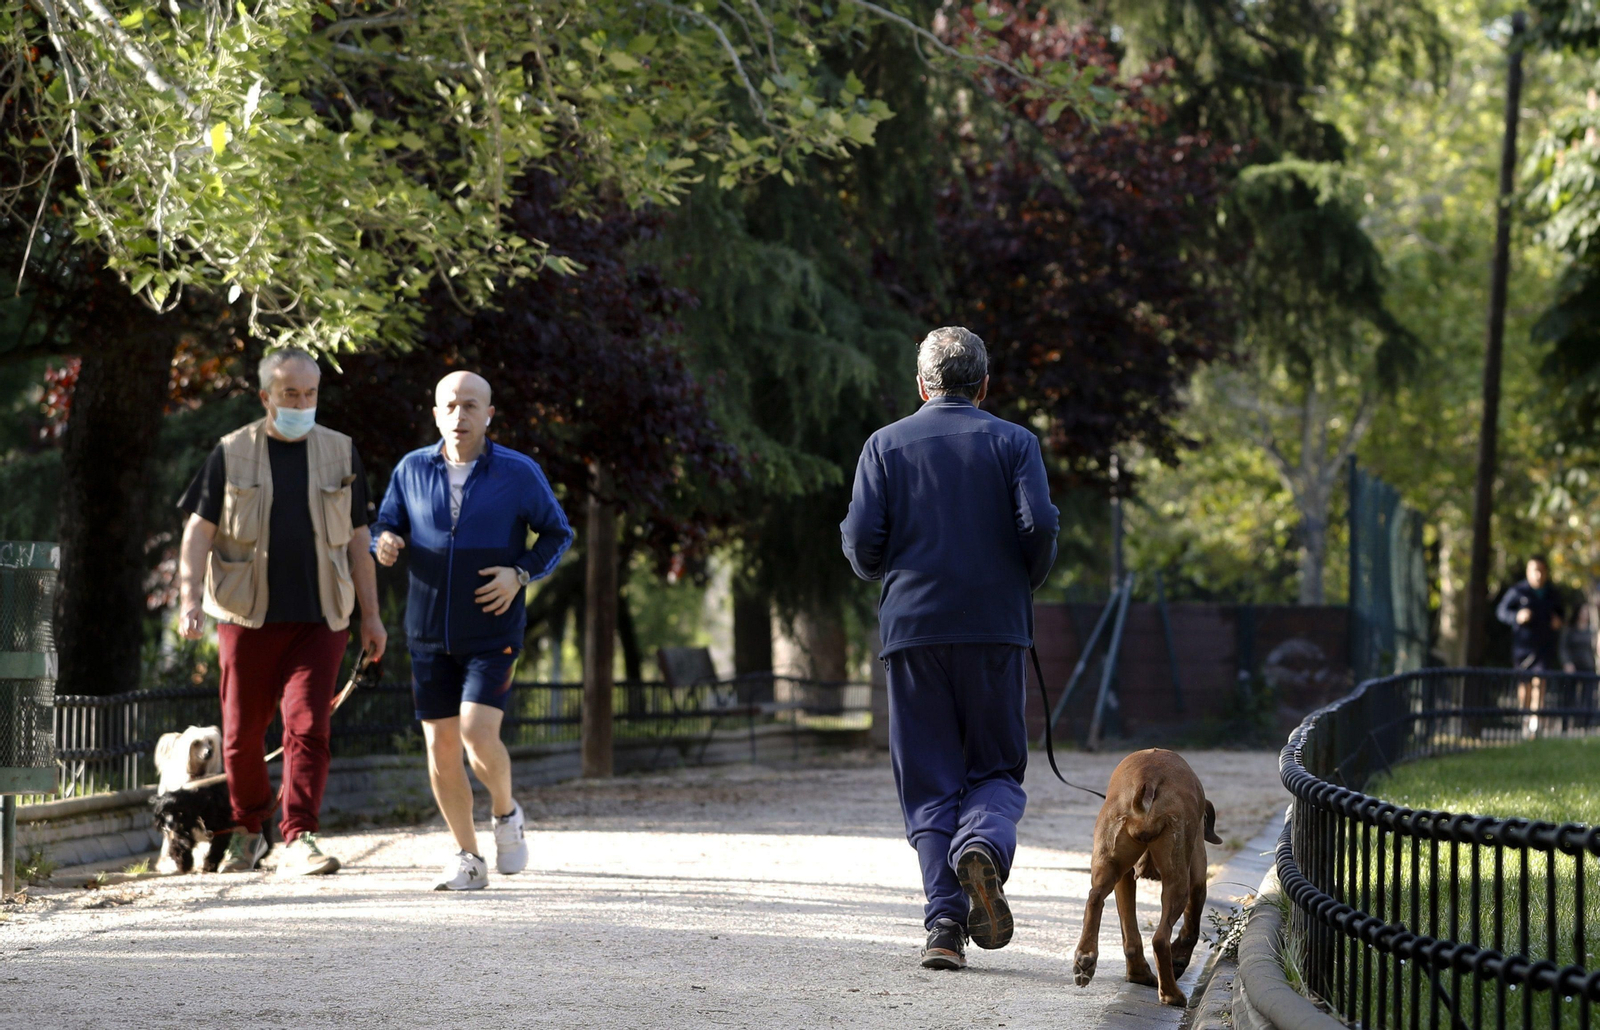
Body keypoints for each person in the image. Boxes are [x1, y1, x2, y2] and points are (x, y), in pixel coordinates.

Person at [839, 326, 1059, 971]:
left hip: (913, 631)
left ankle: (943, 926)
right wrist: (1022, 579)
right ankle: (985, 845)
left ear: (922, 384)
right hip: (994, 628)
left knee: (930, 777)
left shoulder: (883, 446)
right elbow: (1040, 523)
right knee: (994, 768)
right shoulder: (1016, 443)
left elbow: (859, 540)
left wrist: (888, 570)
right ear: (984, 385)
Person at [176, 348, 387, 875]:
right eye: (290, 393)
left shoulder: (341, 452)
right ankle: (250, 830)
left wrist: (372, 616)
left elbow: (360, 540)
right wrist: (188, 601)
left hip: (322, 619)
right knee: (243, 734)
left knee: (309, 726)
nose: (301, 402)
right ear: (265, 395)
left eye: (310, 393)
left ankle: (300, 836)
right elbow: (197, 532)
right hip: (247, 618)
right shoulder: (232, 452)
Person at [373, 371, 573, 891]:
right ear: (436, 413)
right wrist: (386, 541)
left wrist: (521, 572)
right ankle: (467, 856)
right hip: (427, 631)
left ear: (488, 414)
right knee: (440, 747)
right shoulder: (411, 468)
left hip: (492, 628)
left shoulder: (518, 472)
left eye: (471, 406)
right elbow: (385, 523)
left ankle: (506, 813)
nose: (459, 415)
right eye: (450, 405)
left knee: (477, 733)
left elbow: (558, 531)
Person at [1497, 555, 1566, 732]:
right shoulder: (1518, 591)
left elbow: (1561, 615)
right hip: (1523, 647)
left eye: (1541, 570)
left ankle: (1536, 724)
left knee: (1540, 682)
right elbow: (1502, 611)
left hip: (1544, 647)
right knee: (1524, 685)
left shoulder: (1552, 593)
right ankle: (1524, 720)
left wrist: (1558, 622)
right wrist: (1517, 617)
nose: (1538, 575)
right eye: (1534, 570)